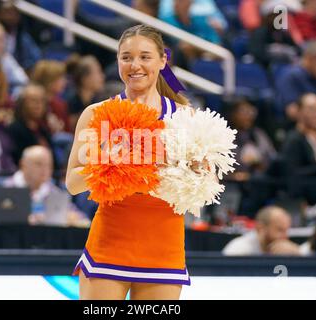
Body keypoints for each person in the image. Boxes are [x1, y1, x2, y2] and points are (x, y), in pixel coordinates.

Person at [67, 25, 192, 300]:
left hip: (164, 245)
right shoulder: (97, 114)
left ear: (162, 61)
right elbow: (73, 184)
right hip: (110, 241)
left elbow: (204, 188)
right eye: (126, 57)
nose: (135, 65)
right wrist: (111, 162)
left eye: (145, 57)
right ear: (118, 61)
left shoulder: (185, 117)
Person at [5, 145, 89, 227]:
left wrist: (71, 217)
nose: (45, 169)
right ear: (23, 164)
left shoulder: (54, 192)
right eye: (38, 164)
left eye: (48, 165)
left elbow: (82, 219)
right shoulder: (6, 189)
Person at [7, 84, 53, 165]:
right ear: (22, 104)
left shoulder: (43, 130)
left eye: (41, 101)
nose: (38, 105)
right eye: (33, 100)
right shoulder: (14, 130)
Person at [222, 206, 292, 256]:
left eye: (286, 230)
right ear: (260, 228)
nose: (285, 236)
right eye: (279, 230)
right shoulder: (239, 250)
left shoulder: (286, 250)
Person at [66, 55, 105, 133]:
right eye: (98, 72)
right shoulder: (70, 103)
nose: (102, 76)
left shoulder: (100, 100)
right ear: (85, 79)